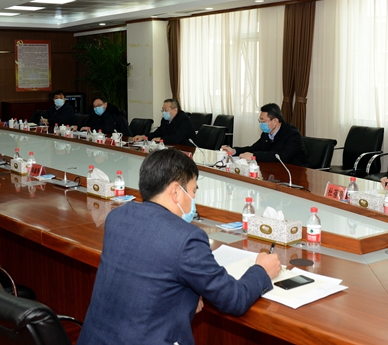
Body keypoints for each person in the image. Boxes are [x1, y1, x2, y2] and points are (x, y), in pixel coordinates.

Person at [78, 148, 280, 344]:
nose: (193, 200)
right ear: (176, 191)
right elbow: (234, 299)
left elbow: (146, 273)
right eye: (193, 191)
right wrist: (261, 270)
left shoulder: (118, 216)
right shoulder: (187, 238)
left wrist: (189, 294)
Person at [222, 103, 308, 165]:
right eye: (260, 120)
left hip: (295, 172)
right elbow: (253, 148)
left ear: (275, 121)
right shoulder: (266, 134)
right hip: (274, 169)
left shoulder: (292, 134)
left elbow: (283, 156)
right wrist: (234, 151)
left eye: (263, 121)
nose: (261, 123)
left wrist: (254, 156)